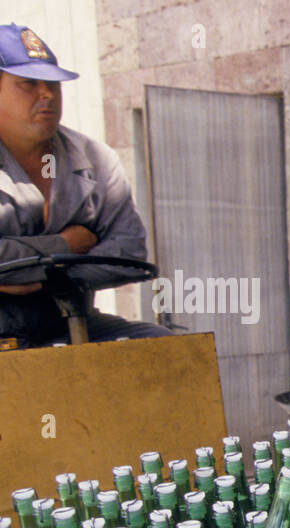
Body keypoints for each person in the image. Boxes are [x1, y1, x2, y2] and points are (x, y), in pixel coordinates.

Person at [0, 23, 168, 348]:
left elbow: (130, 252)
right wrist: (67, 245)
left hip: (70, 323)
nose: (46, 94)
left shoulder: (94, 157)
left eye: (53, 84)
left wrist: (40, 279)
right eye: (28, 84)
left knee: (167, 349)